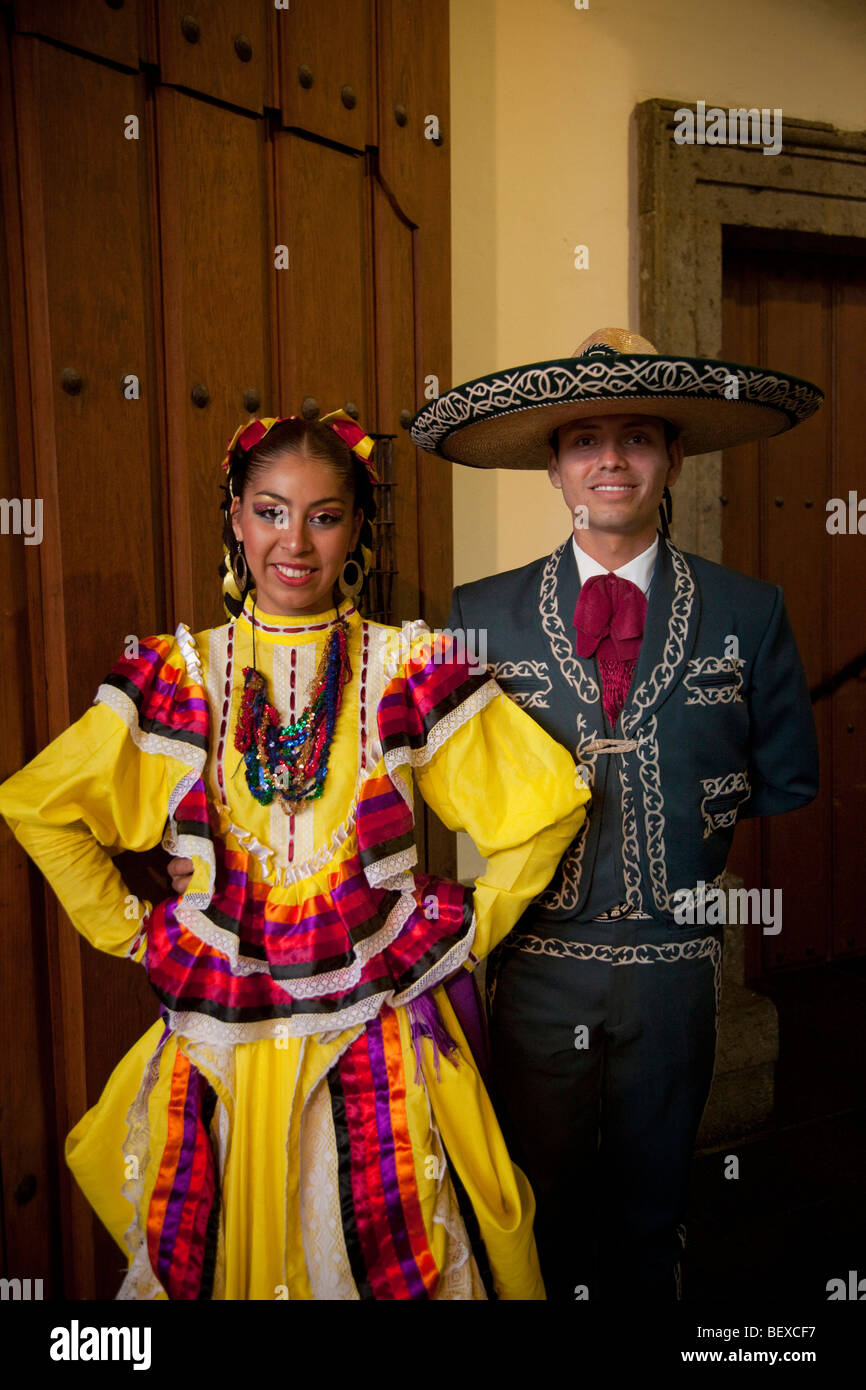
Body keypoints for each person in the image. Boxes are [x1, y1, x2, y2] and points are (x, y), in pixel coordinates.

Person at [0, 410, 589, 1301]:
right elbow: (36, 803)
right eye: (271, 512)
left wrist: (458, 925)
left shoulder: (405, 665)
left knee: (387, 1244)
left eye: (324, 515)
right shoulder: (182, 674)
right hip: (222, 1033)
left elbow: (546, 804)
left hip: (375, 1027)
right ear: (235, 516)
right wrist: (134, 931)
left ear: (356, 528)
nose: (295, 543)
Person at [410, 326, 822, 1301]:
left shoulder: (747, 609)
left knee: (651, 1199)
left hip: (675, 965)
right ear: (552, 467)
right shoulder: (474, 609)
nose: (609, 458)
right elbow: (424, 767)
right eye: (583, 439)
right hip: (533, 963)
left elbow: (783, 775)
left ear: (673, 456)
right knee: (530, 1196)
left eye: (636, 436)